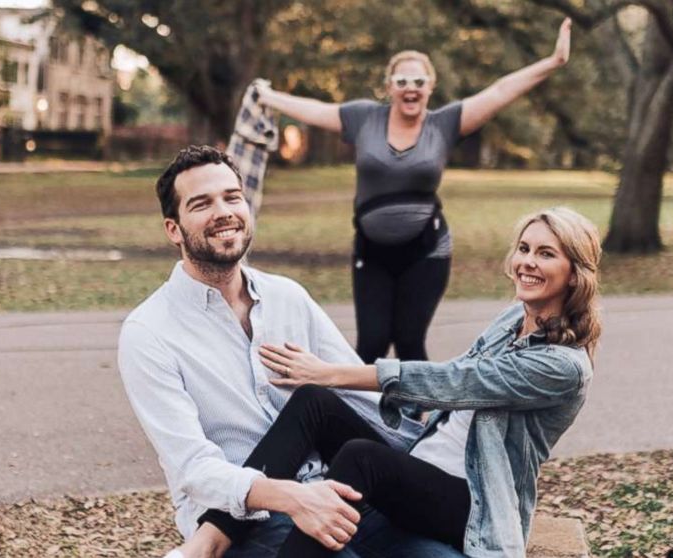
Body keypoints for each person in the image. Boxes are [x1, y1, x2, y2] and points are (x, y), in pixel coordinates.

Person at [116, 145, 465, 558]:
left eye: (232, 197)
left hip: (338, 493)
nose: (224, 212)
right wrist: (293, 498)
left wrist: (432, 436)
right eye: (202, 204)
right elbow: (193, 468)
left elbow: (359, 400)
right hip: (244, 521)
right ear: (173, 229)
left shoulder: (288, 297)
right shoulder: (149, 332)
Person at [195, 206, 603, 557]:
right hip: (421, 464)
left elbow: (458, 380)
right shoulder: (515, 317)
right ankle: (215, 534)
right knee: (314, 401)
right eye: (525, 248)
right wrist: (337, 387)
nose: (527, 262)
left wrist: (332, 371)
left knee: (361, 456)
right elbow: (457, 382)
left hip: (472, 503)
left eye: (546, 254)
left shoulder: (563, 366)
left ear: (573, 274)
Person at [256, 19, 573, 364]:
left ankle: (418, 418)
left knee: (409, 342)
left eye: (419, 82)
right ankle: (361, 417)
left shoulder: (444, 124)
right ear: (389, 87)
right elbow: (316, 111)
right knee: (371, 345)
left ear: (430, 87)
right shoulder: (364, 118)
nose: (411, 88)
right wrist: (269, 97)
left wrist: (554, 61)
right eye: (402, 81)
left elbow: (499, 91)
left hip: (427, 252)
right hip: (371, 251)